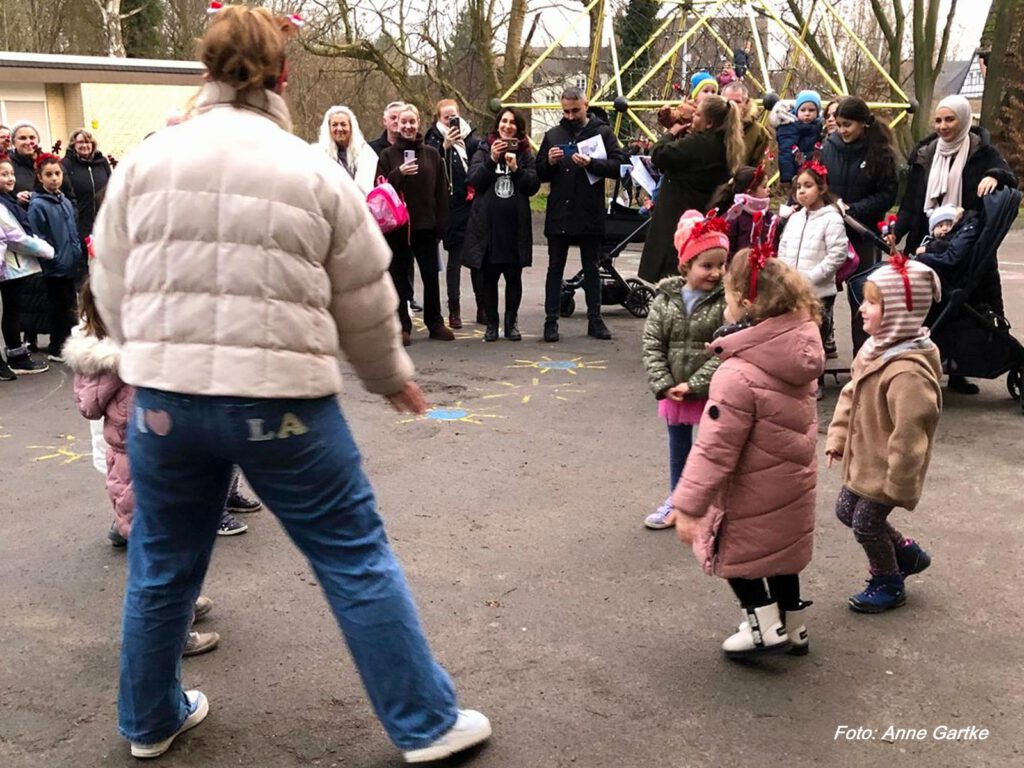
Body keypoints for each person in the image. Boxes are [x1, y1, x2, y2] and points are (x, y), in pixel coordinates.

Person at [91, 6, 489, 760]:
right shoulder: (307, 169)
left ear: (204, 70)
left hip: (166, 404)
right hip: (280, 402)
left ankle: (148, 720)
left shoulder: (145, 163)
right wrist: (389, 377)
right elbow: (366, 291)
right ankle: (425, 723)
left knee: (162, 563)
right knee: (351, 553)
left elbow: (109, 285)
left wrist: (148, 348)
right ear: (282, 74)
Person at [673, 249, 824, 658]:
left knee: (735, 553)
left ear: (745, 302)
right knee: (781, 553)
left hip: (750, 490)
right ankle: (794, 627)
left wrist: (688, 505)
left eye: (728, 294)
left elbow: (714, 449)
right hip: (791, 483)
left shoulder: (738, 373)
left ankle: (762, 626)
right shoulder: (797, 352)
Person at [826, 256, 941, 613]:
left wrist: (901, 483)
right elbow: (850, 395)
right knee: (846, 510)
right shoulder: (873, 349)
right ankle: (906, 553)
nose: (862, 308)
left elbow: (911, 435)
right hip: (865, 458)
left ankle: (888, 580)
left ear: (899, 314)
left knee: (865, 522)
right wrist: (838, 438)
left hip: (889, 468)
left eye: (873, 303)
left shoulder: (907, 372)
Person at [890, 94, 1018, 394]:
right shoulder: (925, 153)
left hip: (968, 242)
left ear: (963, 120)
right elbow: (911, 202)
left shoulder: (981, 151)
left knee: (969, 305)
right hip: (928, 239)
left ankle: (961, 370)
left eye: (950, 120)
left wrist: (994, 176)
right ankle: (929, 365)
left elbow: (1009, 178)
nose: (943, 126)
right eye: (938, 120)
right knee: (926, 306)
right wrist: (897, 231)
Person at [641, 210, 727, 530]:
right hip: (675, 392)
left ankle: (713, 505)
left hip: (710, 392)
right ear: (685, 265)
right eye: (707, 265)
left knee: (713, 451)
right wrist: (664, 384)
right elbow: (652, 344)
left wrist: (697, 384)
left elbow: (727, 350)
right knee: (679, 447)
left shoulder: (725, 302)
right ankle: (678, 500)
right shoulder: (665, 299)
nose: (716, 273)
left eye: (721, 265)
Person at [536, 86, 627, 342]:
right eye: (566, 111)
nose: (571, 116)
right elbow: (538, 172)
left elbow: (620, 165)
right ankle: (550, 321)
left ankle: (595, 320)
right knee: (555, 268)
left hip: (589, 211)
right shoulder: (553, 135)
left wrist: (593, 164)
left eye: (575, 110)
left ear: (586, 106)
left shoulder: (602, 132)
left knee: (592, 267)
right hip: (560, 212)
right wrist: (549, 162)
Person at [638, 94, 744, 284]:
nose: (692, 118)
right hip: (700, 211)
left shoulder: (699, 144)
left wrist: (671, 132)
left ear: (709, 123)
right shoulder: (725, 145)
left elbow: (659, 154)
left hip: (678, 213)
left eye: (697, 115)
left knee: (673, 270)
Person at [376, 104, 455, 342]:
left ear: (418, 122)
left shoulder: (431, 153)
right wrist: (398, 173)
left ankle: (435, 322)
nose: (408, 126)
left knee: (431, 277)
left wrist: (442, 225)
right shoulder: (387, 156)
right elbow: (379, 189)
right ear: (396, 125)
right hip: (397, 228)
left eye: (412, 121)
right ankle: (402, 326)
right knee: (399, 278)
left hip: (425, 227)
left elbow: (441, 192)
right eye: (403, 122)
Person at [462, 107, 539, 341]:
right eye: (504, 121)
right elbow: (474, 181)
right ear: (498, 125)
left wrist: (516, 169)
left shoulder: (525, 152)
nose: (507, 126)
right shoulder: (483, 149)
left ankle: (511, 322)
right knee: (489, 279)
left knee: (514, 278)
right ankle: (492, 323)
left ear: (519, 128)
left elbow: (533, 185)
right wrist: (492, 159)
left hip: (514, 228)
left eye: (512, 122)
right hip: (488, 228)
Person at [776, 161, 848, 368]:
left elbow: (837, 254)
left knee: (815, 337)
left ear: (821, 188)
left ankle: (816, 380)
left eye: (808, 186)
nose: (802, 191)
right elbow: (784, 246)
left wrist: (810, 278)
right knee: (794, 336)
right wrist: (786, 275)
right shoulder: (795, 218)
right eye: (799, 187)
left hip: (819, 291)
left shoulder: (831, 218)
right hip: (793, 289)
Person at [424, 99, 485, 329]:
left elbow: (481, 157)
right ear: (438, 119)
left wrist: (464, 141)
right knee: (456, 260)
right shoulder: (432, 139)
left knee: (478, 258)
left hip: (473, 204)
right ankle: (454, 309)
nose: (451, 122)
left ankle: (482, 306)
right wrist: (444, 148)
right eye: (446, 117)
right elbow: (429, 164)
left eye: (454, 117)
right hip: (452, 206)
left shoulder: (470, 137)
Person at [821, 97, 897, 268]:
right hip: (831, 228)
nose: (842, 130)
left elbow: (887, 195)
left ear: (863, 123)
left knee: (862, 286)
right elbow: (819, 183)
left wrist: (854, 209)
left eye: (847, 125)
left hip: (865, 232)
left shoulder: (881, 154)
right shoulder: (828, 148)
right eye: (839, 125)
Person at [0, 153, 52, 378]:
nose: (10, 178)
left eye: (11, 173)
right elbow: (15, 237)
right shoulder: (2, 205)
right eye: (3, 174)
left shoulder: (9, 200)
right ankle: (17, 357)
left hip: (14, 267)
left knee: (14, 311)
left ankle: (16, 355)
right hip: (9, 267)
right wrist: (47, 250)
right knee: (11, 313)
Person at [28, 153, 82, 363]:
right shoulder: (38, 204)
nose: (54, 178)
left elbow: (72, 232)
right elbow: (38, 237)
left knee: (70, 306)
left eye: (57, 173)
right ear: (40, 177)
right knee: (58, 308)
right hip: (54, 266)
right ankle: (56, 346)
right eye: (48, 174)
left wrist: (76, 253)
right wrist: (55, 259)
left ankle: (68, 343)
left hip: (69, 263)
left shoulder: (65, 201)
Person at [62, 129, 113, 243]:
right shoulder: (66, 164)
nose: (84, 145)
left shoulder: (102, 162)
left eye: (88, 142)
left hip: (102, 221)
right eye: (80, 142)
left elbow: (111, 186)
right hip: (80, 223)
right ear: (73, 145)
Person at [713, 164, 771, 256]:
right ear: (750, 192)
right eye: (764, 187)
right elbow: (727, 250)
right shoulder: (733, 217)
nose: (768, 190)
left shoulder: (768, 216)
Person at [316, 105, 378, 193]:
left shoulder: (365, 152)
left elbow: (365, 186)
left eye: (343, 124)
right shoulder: (319, 152)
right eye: (334, 125)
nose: (339, 129)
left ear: (351, 127)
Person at [769, 90, 823, 188]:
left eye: (811, 110)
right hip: (797, 172)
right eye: (803, 110)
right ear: (797, 111)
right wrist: (787, 178)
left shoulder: (819, 127)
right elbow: (786, 153)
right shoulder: (789, 127)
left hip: (816, 170)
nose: (807, 114)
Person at [721, 80, 770, 167]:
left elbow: (760, 169)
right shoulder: (711, 125)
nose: (733, 105)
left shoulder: (759, 133)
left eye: (737, 102)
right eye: (728, 101)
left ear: (746, 103)